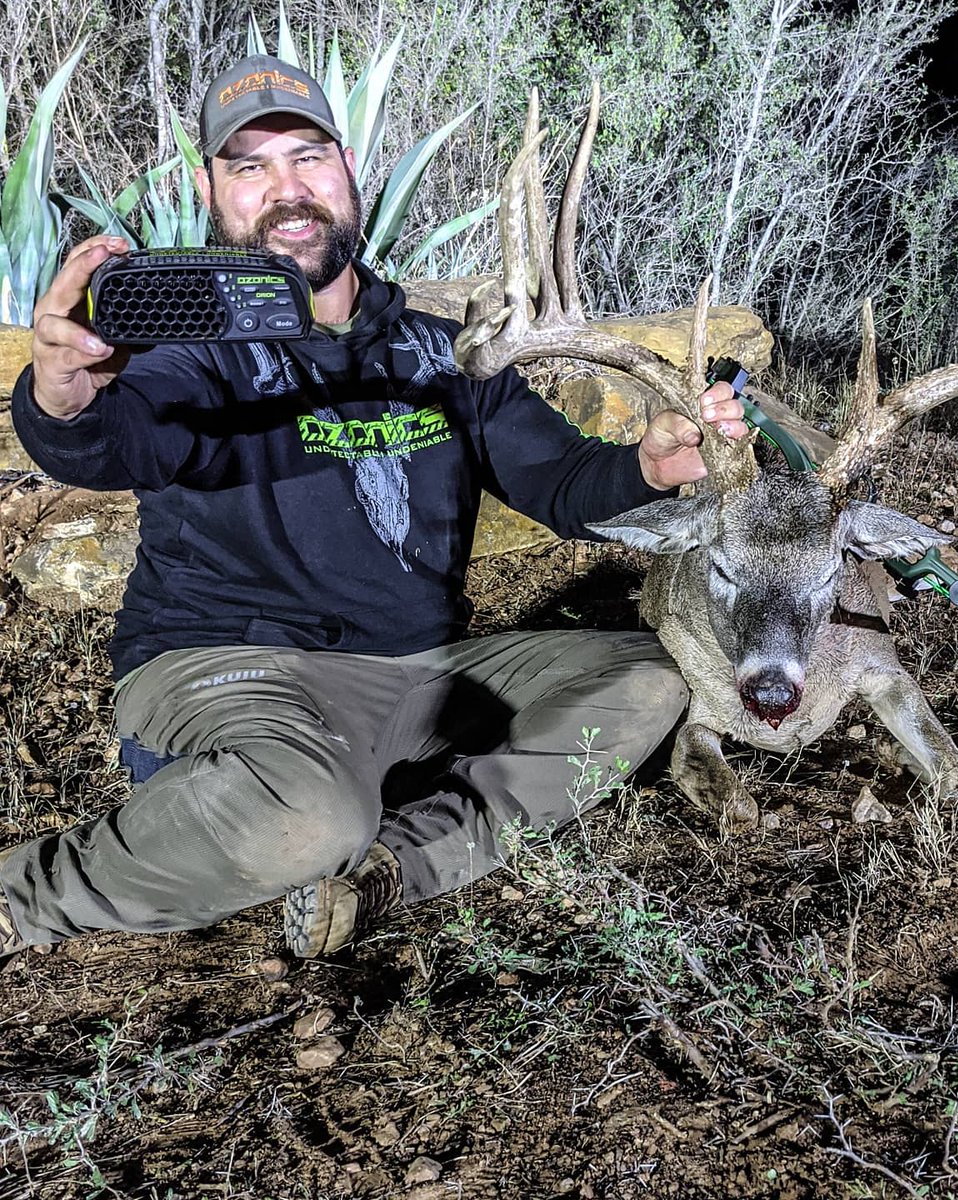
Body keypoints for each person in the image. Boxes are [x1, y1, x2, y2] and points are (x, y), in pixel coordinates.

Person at [1, 55, 746, 959]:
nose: (286, 190)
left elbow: (561, 481)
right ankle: (24, 896)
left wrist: (650, 463)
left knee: (652, 679)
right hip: (238, 674)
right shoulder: (182, 353)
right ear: (212, 190)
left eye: (307, 157)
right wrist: (66, 396)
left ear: (348, 170)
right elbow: (113, 437)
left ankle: (385, 872)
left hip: (420, 675)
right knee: (308, 816)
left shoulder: (443, 352)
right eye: (249, 166)